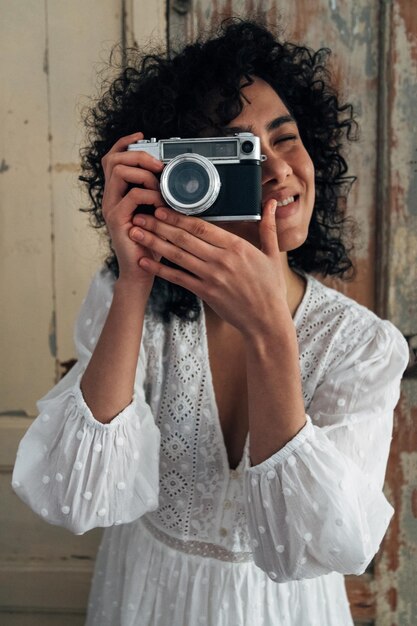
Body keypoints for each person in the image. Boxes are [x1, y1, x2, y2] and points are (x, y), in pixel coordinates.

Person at [12, 18, 409, 626]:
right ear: (184, 175)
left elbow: (332, 547)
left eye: (284, 138)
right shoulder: (129, 302)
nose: (277, 170)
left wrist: (270, 329)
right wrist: (136, 272)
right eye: (239, 152)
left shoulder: (363, 346)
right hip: (143, 594)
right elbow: (77, 496)